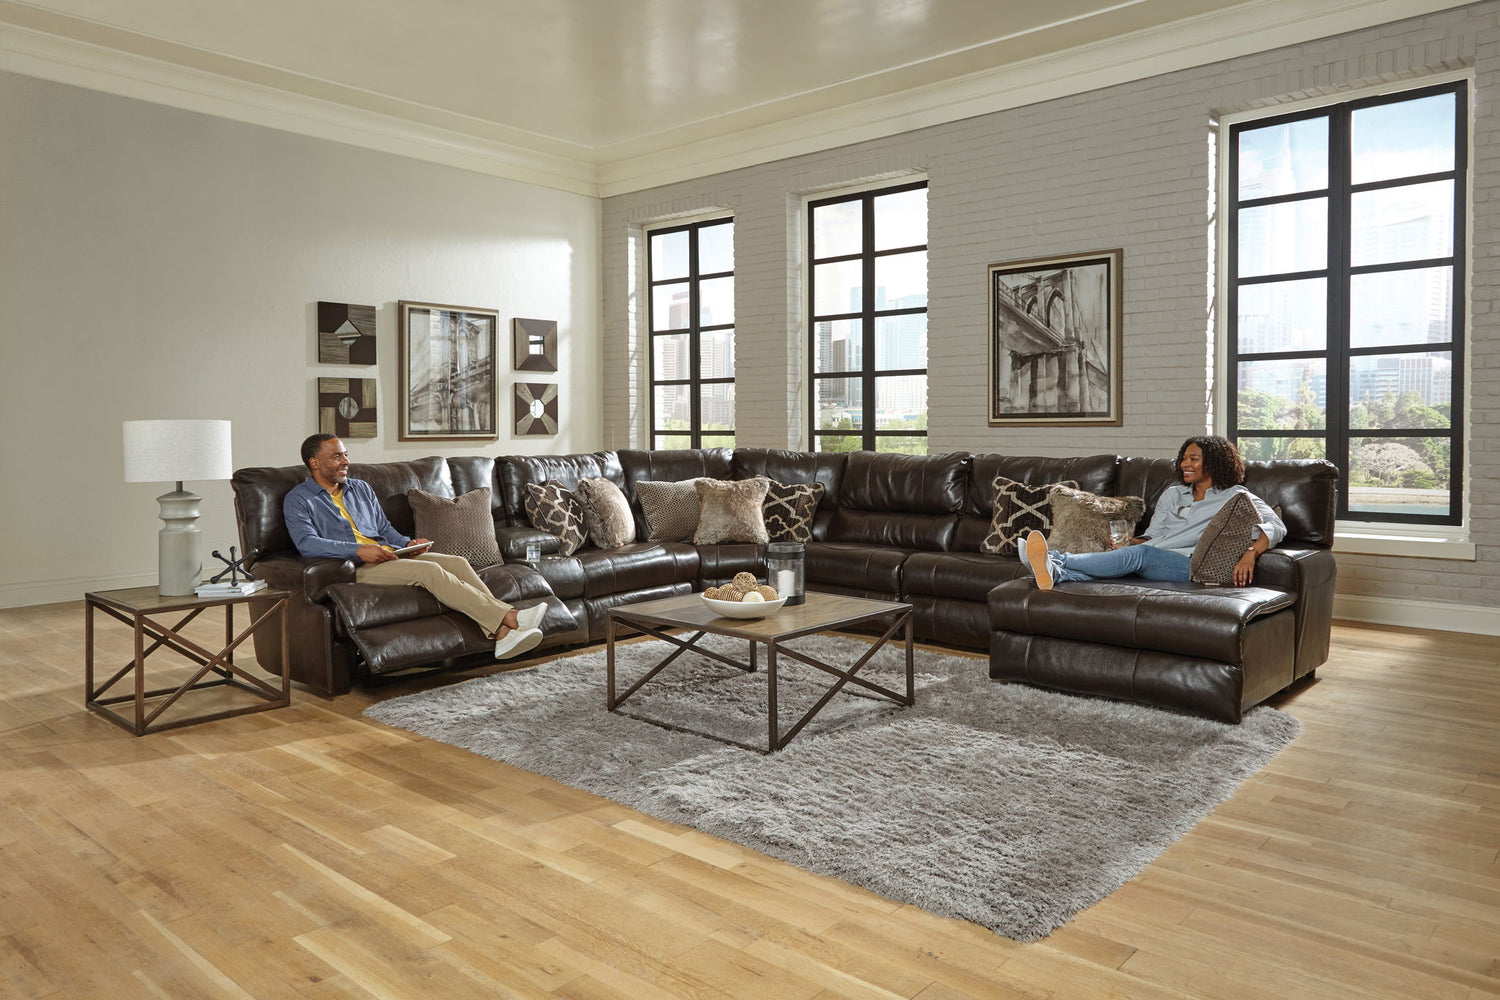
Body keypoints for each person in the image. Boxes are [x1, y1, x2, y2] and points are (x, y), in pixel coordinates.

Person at [284, 434, 546, 660]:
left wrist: (407, 544)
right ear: (314, 462)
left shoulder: (360, 488)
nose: (345, 461)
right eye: (336, 456)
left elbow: (384, 529)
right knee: (428, 571)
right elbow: (307, 543)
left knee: (457, 563)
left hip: (387, 554)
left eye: (345, 455)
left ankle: (502, 633)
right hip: (353, 566)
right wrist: (358, 551)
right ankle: (510, 618)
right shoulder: (298, 499)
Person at [1020, 435, 1286, 590]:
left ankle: (1054, 558)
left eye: (1193, 459)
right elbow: (1154, 535)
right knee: (1137, 553)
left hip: (1190, 564)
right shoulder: (1173, 494)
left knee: (1141, 556)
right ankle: (1056, 572)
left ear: (1215, 463)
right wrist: (1130, 543)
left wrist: (1251, 553)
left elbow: (1276, 525)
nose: (1185, 464)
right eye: (1184, 458)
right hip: (1155, 555)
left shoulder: (1235, 496)